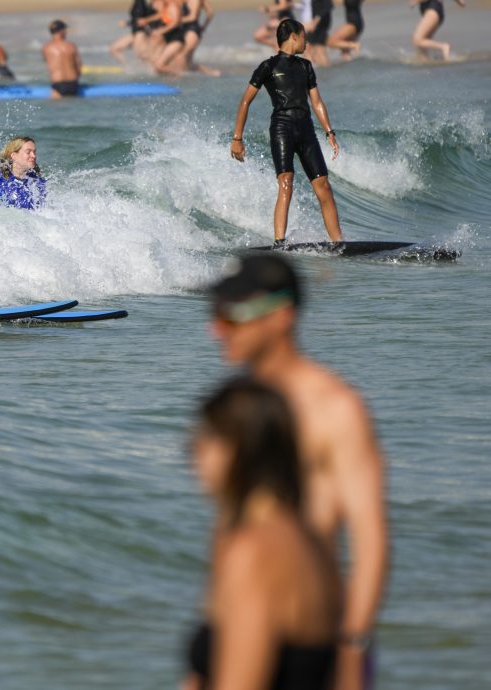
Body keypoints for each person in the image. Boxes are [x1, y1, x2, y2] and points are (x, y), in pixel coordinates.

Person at [208, 254, 389, 690]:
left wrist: (351, 647)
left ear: (282, 316)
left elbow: (371, 540)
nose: (217, 329)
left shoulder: (334, 409)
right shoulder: (237, 406)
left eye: (234, 316)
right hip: (238, 616)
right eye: (216, 314)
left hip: (308, 632)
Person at [184, 377, 340, 690]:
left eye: (207, 437)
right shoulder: (307, 540)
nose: (191, 451)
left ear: (242, 448)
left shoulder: (257, 552)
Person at [230, 19, 344, 245]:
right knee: (286, 183)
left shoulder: (306, 66)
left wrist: (329, 131)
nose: (306, 40)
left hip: (306, 129)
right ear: (293, 36)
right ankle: (280, 241)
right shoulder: (268, 67)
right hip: (282, 129)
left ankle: (339, 242)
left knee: (323, 185)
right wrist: (237, 138)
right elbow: (245, 102)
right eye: (304, 36)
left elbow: (317, 102)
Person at [42, 19, 82, 99]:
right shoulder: (71, 46)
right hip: (73, 83)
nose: (66, 32)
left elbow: (49, 65)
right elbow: (79, 66)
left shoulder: (46, 48)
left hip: (58, 84)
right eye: (65, 30)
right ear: (61, 31)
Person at [304, 0, 333, 67]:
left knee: (319, 49)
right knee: (308, 48)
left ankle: (327, 70)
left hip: (321, 24)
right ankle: (316, 70)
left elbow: (328, 5)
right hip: (318, 24)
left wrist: (315, 22)